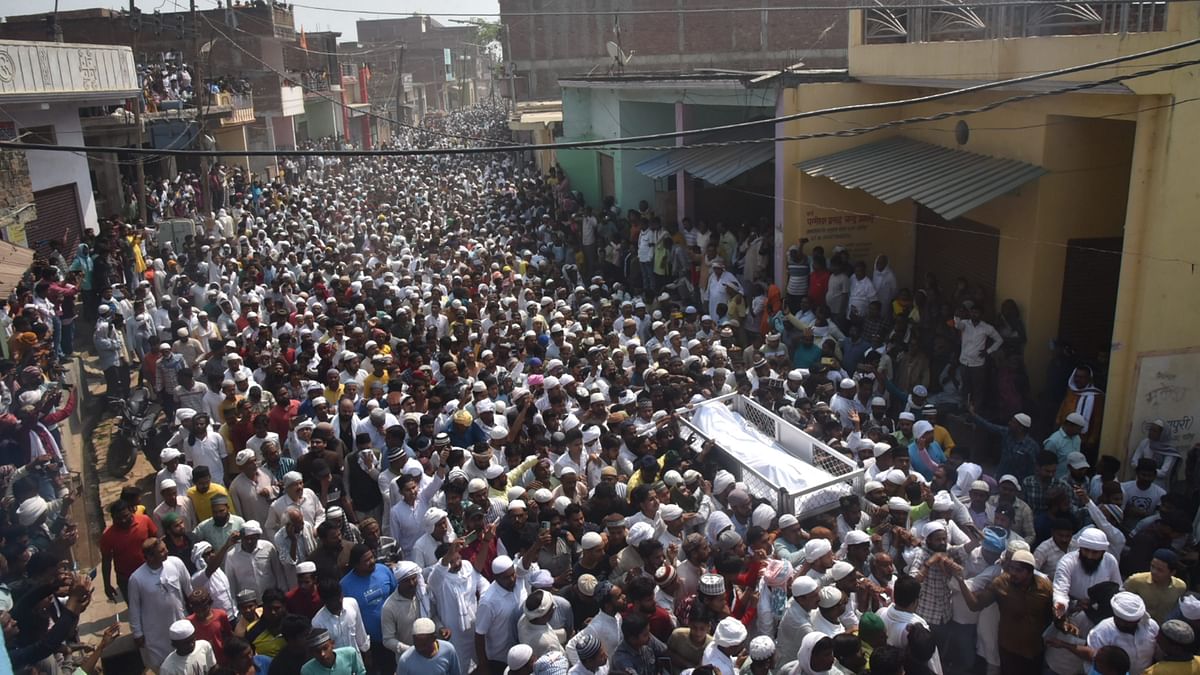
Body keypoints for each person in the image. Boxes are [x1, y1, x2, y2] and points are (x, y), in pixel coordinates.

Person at [128, 537, 194, 668]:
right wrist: (137, 633)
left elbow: (189, 590)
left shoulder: (176, 563)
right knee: (163, 666)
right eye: (162, 551)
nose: (167, 551)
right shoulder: (136, 579)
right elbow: (134, 609)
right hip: (155, 633)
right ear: (150, 557)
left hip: (180, 621)